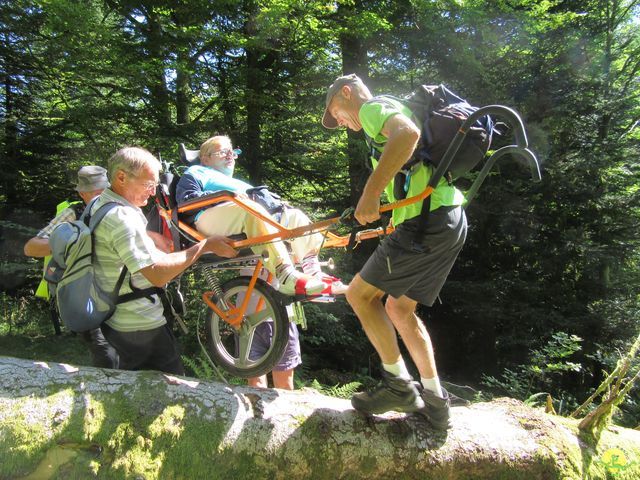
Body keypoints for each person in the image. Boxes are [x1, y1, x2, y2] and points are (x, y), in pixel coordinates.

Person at [322, 74, 467, 429]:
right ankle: (435, 402)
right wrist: (381, 221)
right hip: (449, 220)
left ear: (346, 93)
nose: (339, 122)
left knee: (359, 295)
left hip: (425, 223)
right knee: (400, 309)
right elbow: (409, 177)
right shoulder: (387, 111)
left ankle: (398, 386)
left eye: (336, 113)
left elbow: (407, 135)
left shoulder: (373, 108)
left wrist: (370, 194)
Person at [91, 146, 237, 375]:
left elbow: (124, 255)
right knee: (173, 393)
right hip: (139, 328)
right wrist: (203, 247)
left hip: (116, 323)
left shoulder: (99, 205)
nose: (152, 193)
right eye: (149, 185)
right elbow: (157, 275)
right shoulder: (121, 217)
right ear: (121, 177)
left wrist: (158, 246)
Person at [176, 135, 345, 297]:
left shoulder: (238, 182)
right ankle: (285, 275)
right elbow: (185, 199)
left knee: (294, 216)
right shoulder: (196, 171)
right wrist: (224, 195)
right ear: (205, 159)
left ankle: (313, 271)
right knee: (250, 210)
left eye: (231, 152)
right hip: (207, 218)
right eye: (222, 152)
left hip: (244, 213)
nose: (230, 155)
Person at [24, 166, 119, 368]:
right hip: (84, 294)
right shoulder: (73, 213)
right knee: (105, 353)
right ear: (82, 194)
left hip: (118, 293)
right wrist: (70, 241)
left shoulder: (119, 209)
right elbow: (31, 247)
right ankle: (107, 391)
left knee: (125, 349)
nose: (101, 197)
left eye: (104, 191)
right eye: (95, 193)